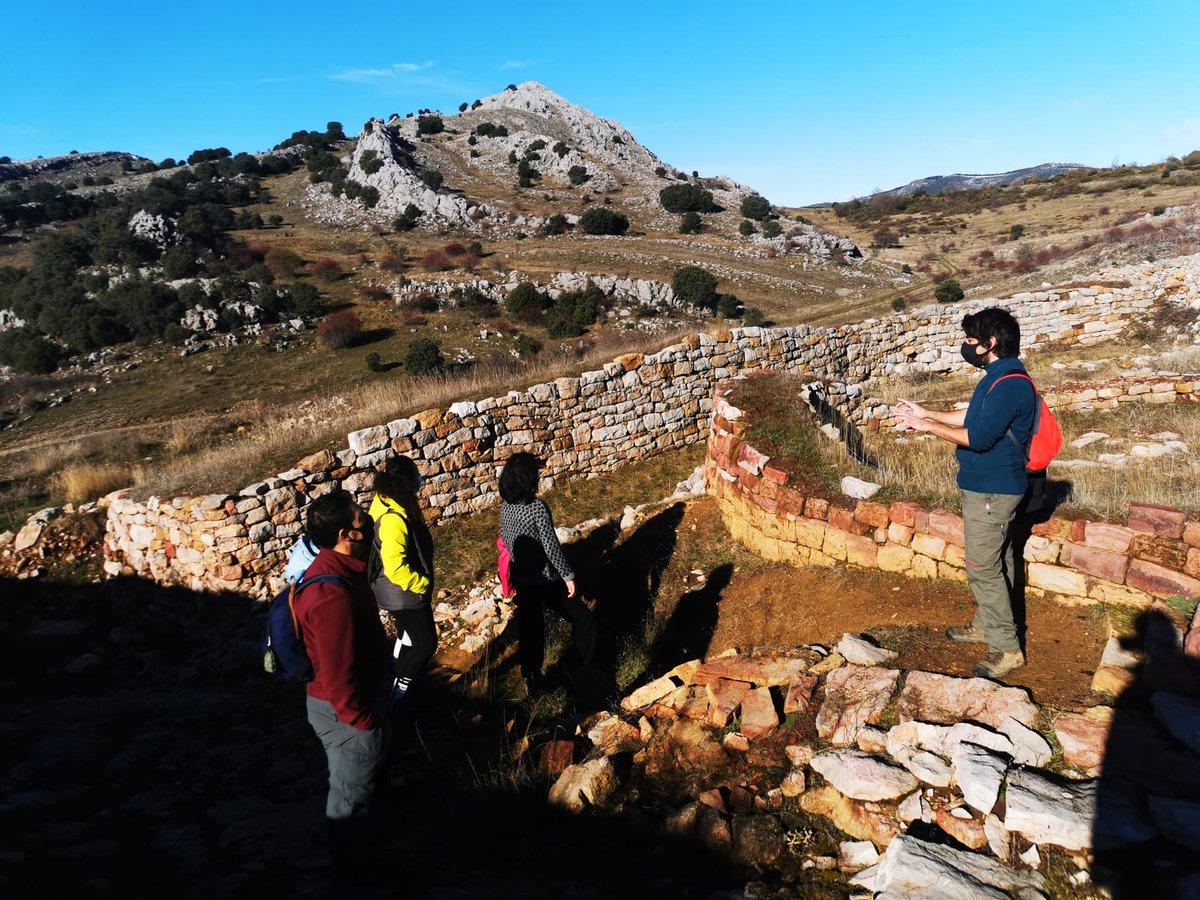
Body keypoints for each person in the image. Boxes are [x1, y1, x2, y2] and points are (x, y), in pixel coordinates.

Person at [894, 308, 1037, 679]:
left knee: (982, 568)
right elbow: (973, 418)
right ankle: (987, 624)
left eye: (971, 341)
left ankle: (1006, 648)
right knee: (999, 560)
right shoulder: (998, 377)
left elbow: (978, 437)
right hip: (988, 487)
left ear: (990, 343)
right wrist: (926, 413)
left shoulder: (1009, 384)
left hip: (993, 489)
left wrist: (925, 426)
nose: (966, 347)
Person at [292, 489, 392, 882]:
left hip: (341, 706)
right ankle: (352, 878)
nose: (367, 524)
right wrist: (362, 721)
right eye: (360, 521)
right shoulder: (331, 595)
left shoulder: (333, 573)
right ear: (344, 534)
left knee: (353, 791)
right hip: (346, 713)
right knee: (351, 802)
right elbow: (338, 673)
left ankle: (359, 863)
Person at [499, 452, 595, 696]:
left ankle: (531, 680)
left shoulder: (505, 507)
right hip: (545, 579)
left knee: (531, 630)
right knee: (583, 619)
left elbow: (509, 543)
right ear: (527, 478)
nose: (539, 476)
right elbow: (551, 546)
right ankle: (586, 668)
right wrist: (568, 576)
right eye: (535, 472)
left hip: (521, 577)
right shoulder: (536, 508)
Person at [368, 456, 436, 708]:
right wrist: (421, 584)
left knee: (407, 636)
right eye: (416, 478)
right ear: (405, 484)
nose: (419, 483)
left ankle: (396, 674)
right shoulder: (393, 519)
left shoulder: (383, 503)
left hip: (393, 593)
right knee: (426, 645)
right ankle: (400, 693)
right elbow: (396, 568)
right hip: (405, 593)